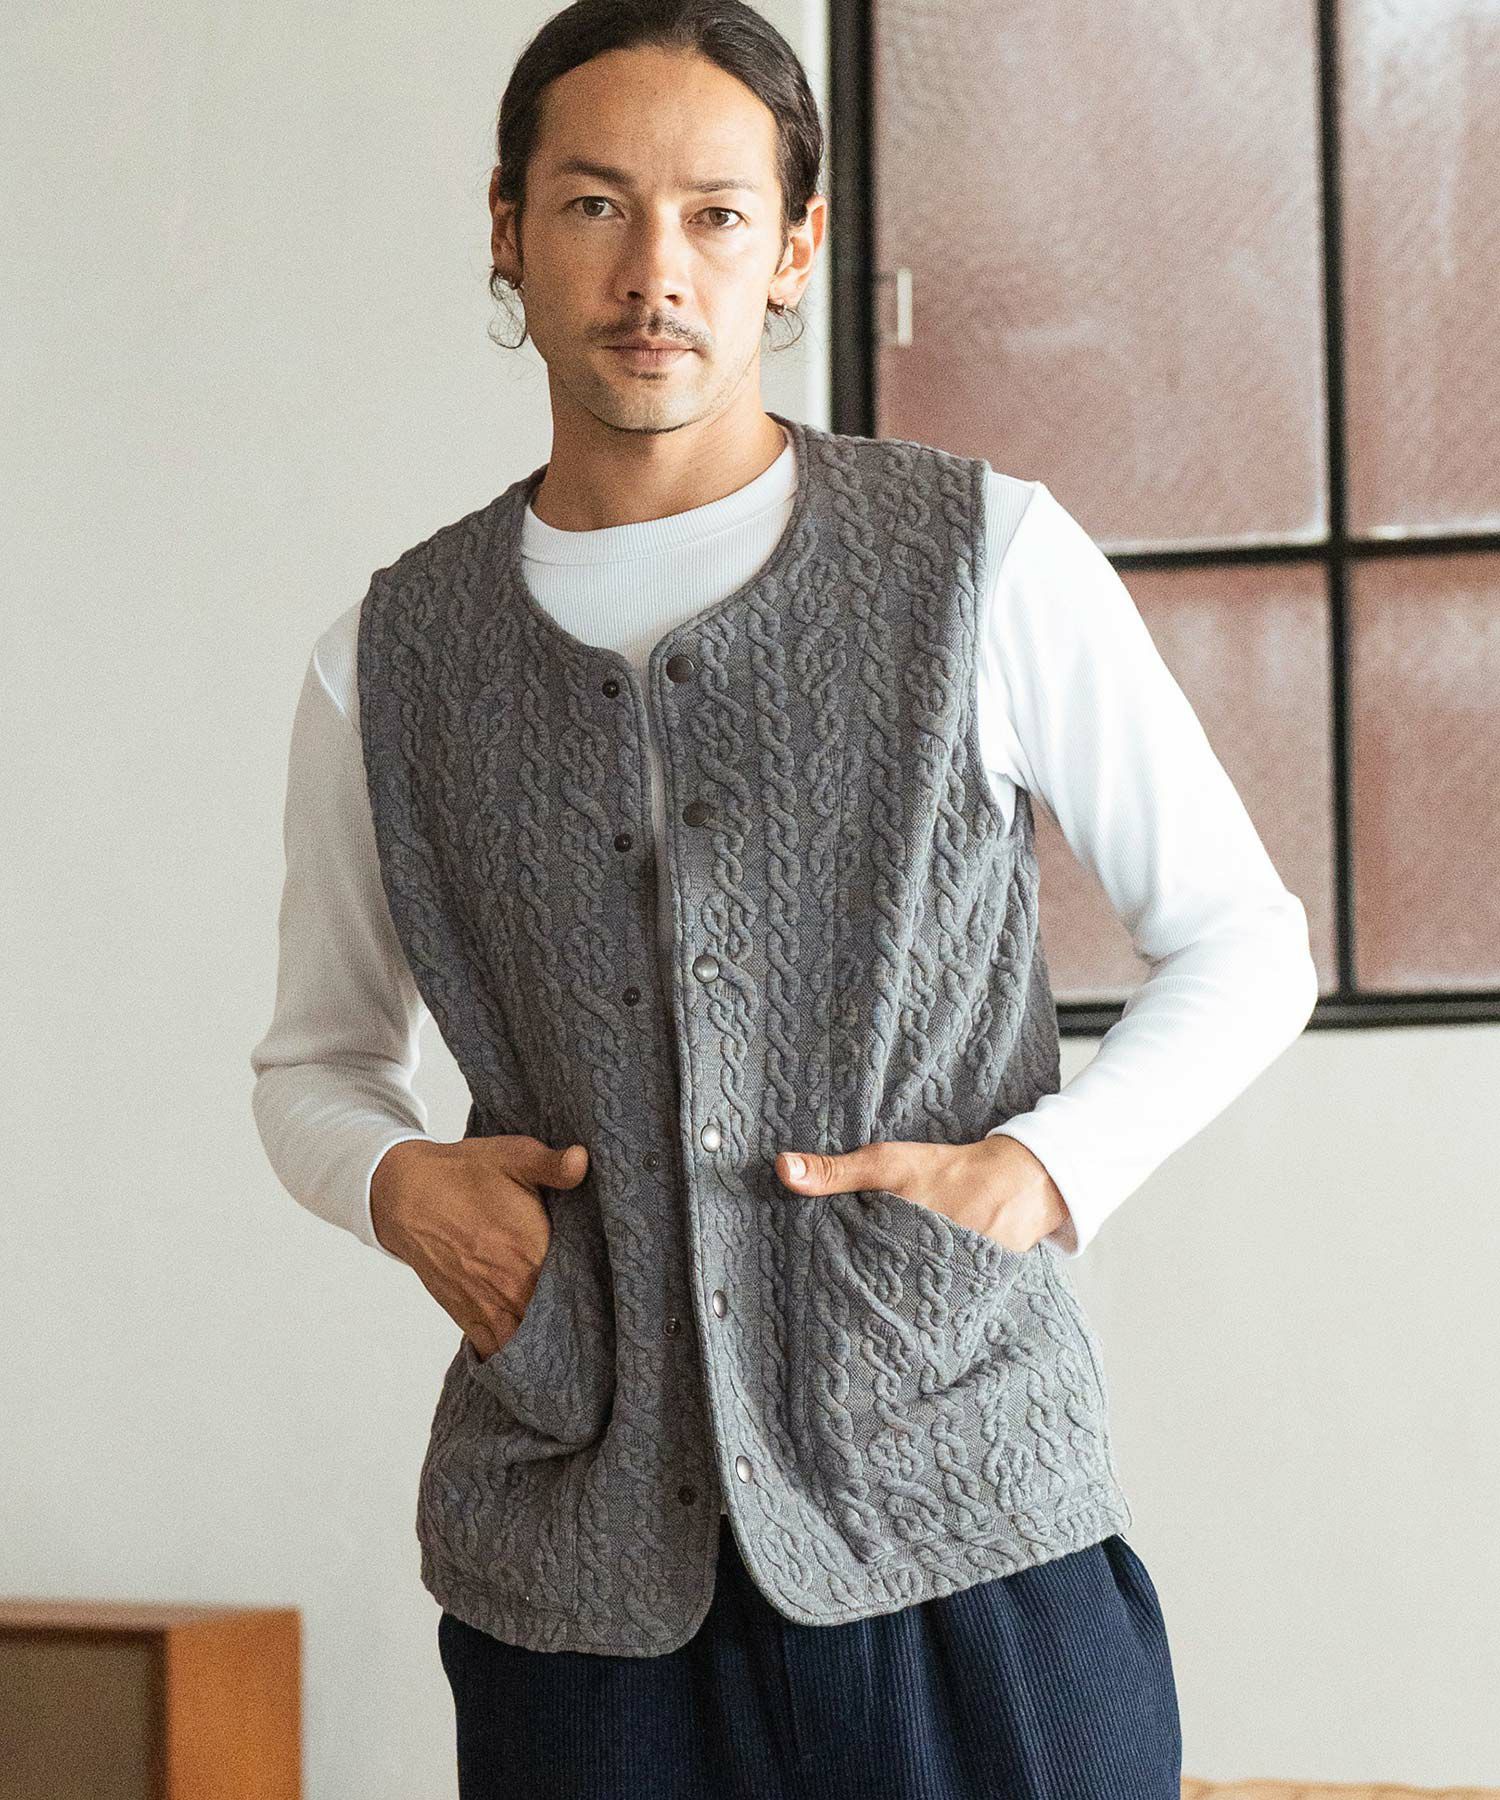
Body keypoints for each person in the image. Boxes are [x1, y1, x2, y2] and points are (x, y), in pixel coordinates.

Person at [249, 2, 1320, 1794]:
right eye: (595, 205)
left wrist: (1047, 1167)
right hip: (574, 1584)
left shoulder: (982, 559)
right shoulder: (391, 656)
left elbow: (1245, 943)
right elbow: (314, 1064)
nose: (655, 271)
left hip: (963, 1525)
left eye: (717, 214)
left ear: (796, 249)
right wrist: (396, 1184)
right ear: (507, 227)